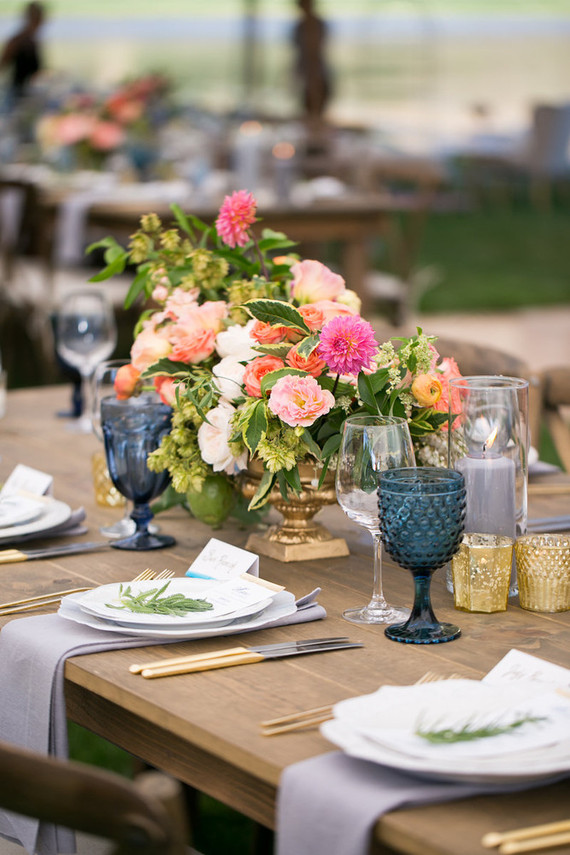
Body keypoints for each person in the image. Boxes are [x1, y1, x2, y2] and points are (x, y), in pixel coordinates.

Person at [292, 0, 332, 123]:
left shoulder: (316, 24)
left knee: (318, 106)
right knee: (307, 107)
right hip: (306, 71)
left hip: (317, 71)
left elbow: (316, 48)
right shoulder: (300, 26)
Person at [0, 1, 45, 106]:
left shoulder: (33, 41)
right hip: (16, 95)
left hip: (30, 94)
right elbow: (2, 65)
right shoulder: (17, 41)